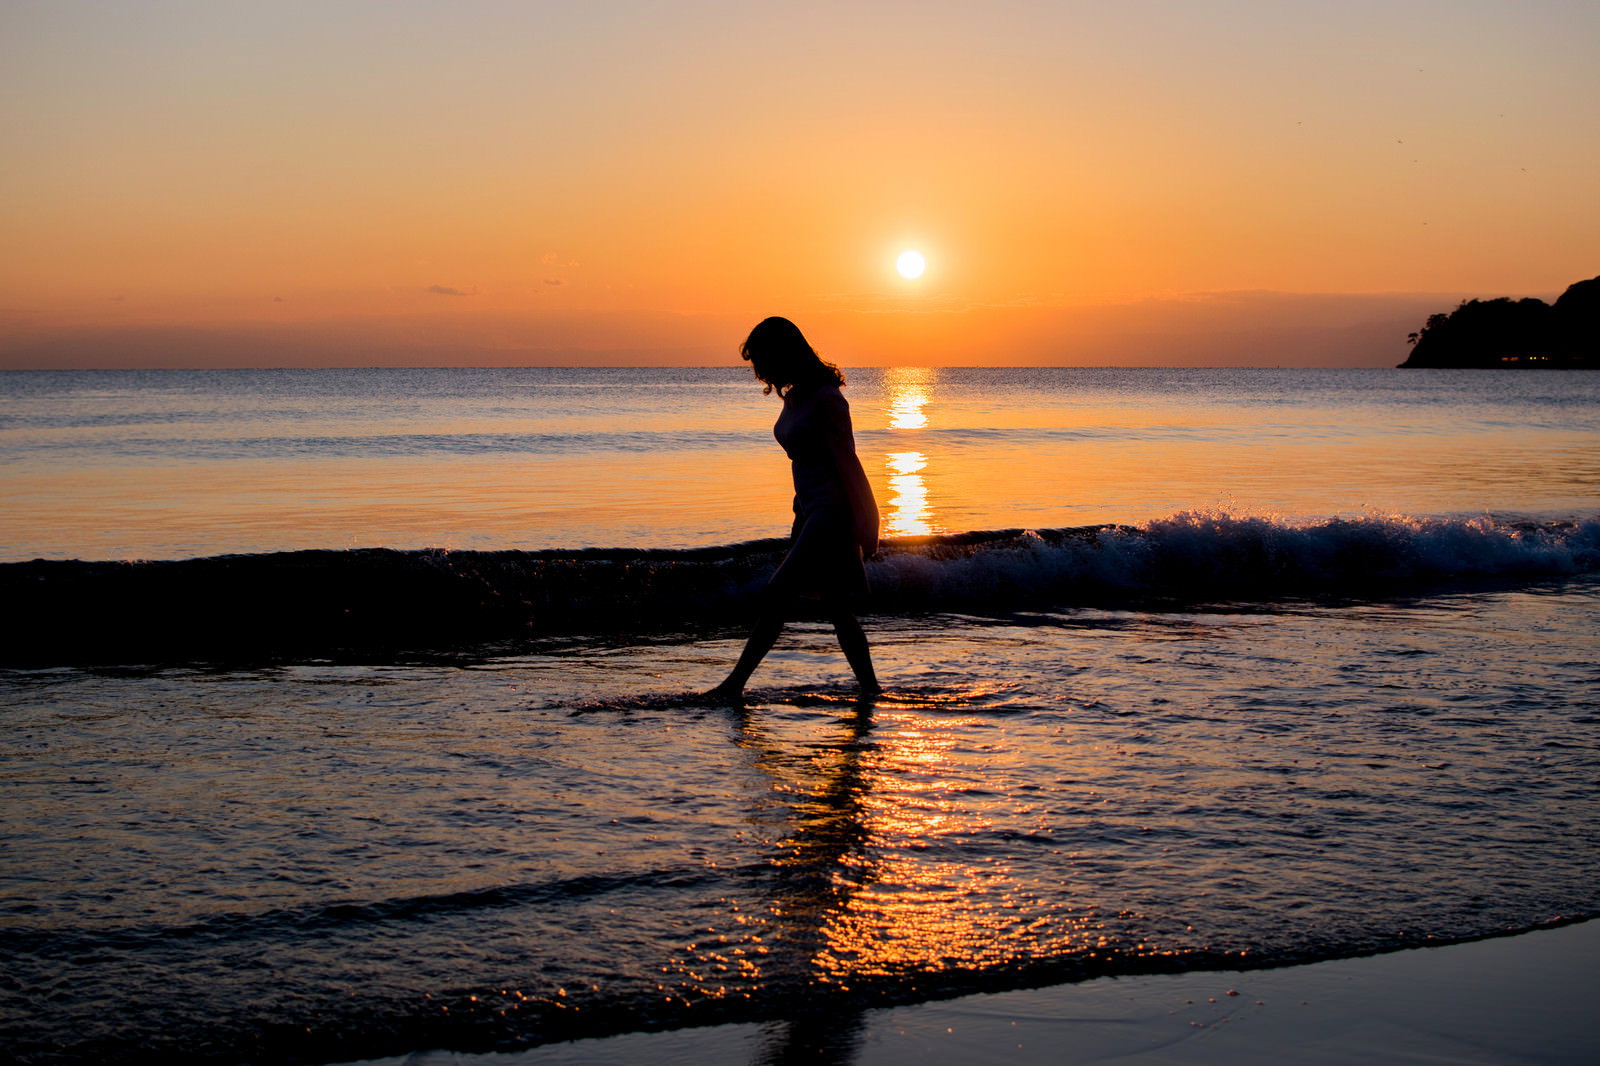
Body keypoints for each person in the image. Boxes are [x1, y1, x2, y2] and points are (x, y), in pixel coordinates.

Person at [708, 316, 881, 699]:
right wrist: (799, 513)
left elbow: (848, 465)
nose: (756, 370)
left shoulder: (827, 400)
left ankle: (732, 686)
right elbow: (806, 463)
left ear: (781, 354)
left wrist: (870, 525)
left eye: (760, 359)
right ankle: (871, 689)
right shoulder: (797, 395)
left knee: (776, 594)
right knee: (837, 608)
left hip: (831, 514)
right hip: (808, 514)